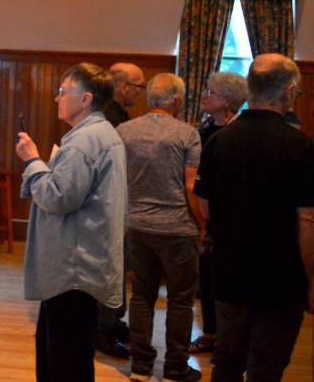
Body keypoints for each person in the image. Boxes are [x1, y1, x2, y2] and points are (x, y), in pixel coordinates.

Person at [194, 54, 314, 382]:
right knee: (267, 367)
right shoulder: (301, 146)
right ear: (289, 91)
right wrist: (312, 279)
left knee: (227, 361)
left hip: (230, 270)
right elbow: (306, 221)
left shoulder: (220, 140)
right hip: (281, 276)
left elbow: (204, 207)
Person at [16, 63, 127, 382]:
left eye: (64, 92)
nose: (56, 98)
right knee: (64, 351)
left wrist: (33, 160)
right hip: (81, 260)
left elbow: (58, 198)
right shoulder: (100, 133)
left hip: (73, 266)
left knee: (65, 359)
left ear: (85, 99)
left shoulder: (83, 142)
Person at [118, 73, 203, 382]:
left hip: (137, 224)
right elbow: (191, 186)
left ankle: (140, 366)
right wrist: (201, 225)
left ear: (150, 98)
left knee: (141, 295)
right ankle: (175, 368)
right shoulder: (187, 134)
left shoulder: (124, 131)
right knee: (181, 300)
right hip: (177, 228)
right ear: (177, 100)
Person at [191, 71, 248, 355]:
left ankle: (229, 341)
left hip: (228, 218)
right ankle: (212, 333)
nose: (204, 96)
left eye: (210, 93)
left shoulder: (237, 133)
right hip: (202, 213)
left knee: (225, 283)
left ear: (227, 101)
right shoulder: (204, 128)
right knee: (206, 279)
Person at [96, 61, 145, 358]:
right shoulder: (110, 119)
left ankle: (111, 322)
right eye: (138, 86)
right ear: (122, 87)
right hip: (107, 206)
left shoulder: (116, 115)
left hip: (114, 203)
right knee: (108, 268)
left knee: (115, 267)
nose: (141, 92)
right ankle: (102, 330)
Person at [102, 62, 146, 128]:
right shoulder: (111, 119)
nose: (139, 91)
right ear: (124, 88)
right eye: (139, 85)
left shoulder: (105, 109)